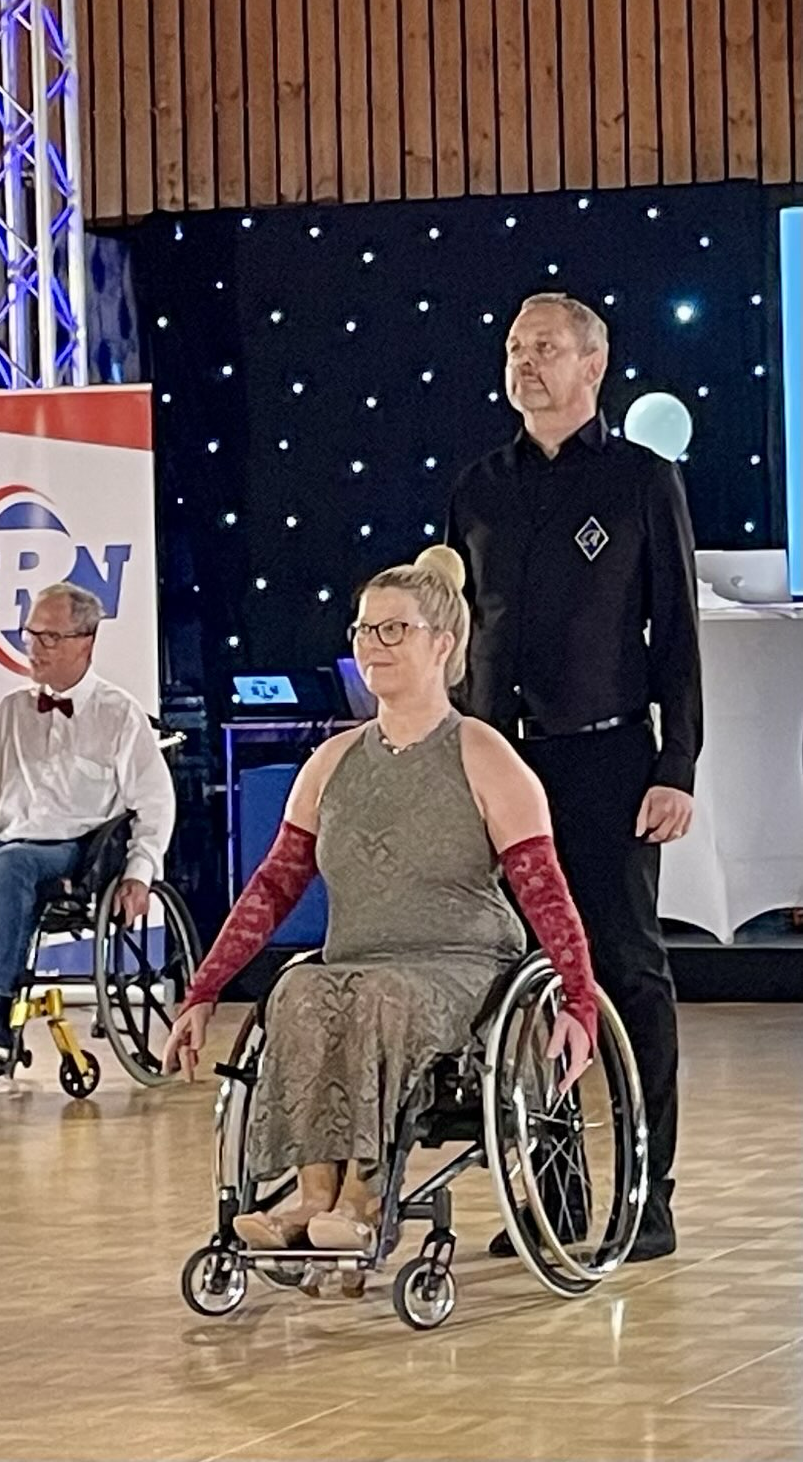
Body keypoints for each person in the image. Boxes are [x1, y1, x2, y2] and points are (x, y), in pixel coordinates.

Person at [163, 549, 598, 1251]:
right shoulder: (331, 763)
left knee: (377, 996)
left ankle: (363, 1201)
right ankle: (312, 1197)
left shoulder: (483, 753)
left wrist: (579, 999)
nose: (374, 644)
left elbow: (545, 891)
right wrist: (203, 990)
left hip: (462, 969)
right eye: (365, 629)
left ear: (443, 644)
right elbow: (271, 888)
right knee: (298, 990)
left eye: (395, 629)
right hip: (357, 960)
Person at [447, 291, 701, 1262]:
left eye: (545, 347)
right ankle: (553, 1200)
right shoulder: (477, 487)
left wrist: (675, 763)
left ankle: (646, 1195)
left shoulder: (641, 480)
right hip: (502, 763)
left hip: (606, 760)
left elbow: (675, 637)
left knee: (626, 972)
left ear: (592, 365)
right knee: (525, 975)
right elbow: (456, 632)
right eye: (515, 347)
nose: (525, 362)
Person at [0, 582, 176, 1062]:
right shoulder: (13, 710)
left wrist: (139, 872)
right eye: (31, 635)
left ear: (85, 642)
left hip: (72, 848)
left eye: (50, 637)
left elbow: (154, 802)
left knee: (13, 863)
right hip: (7, 838)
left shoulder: (118, 714)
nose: (35, 648)